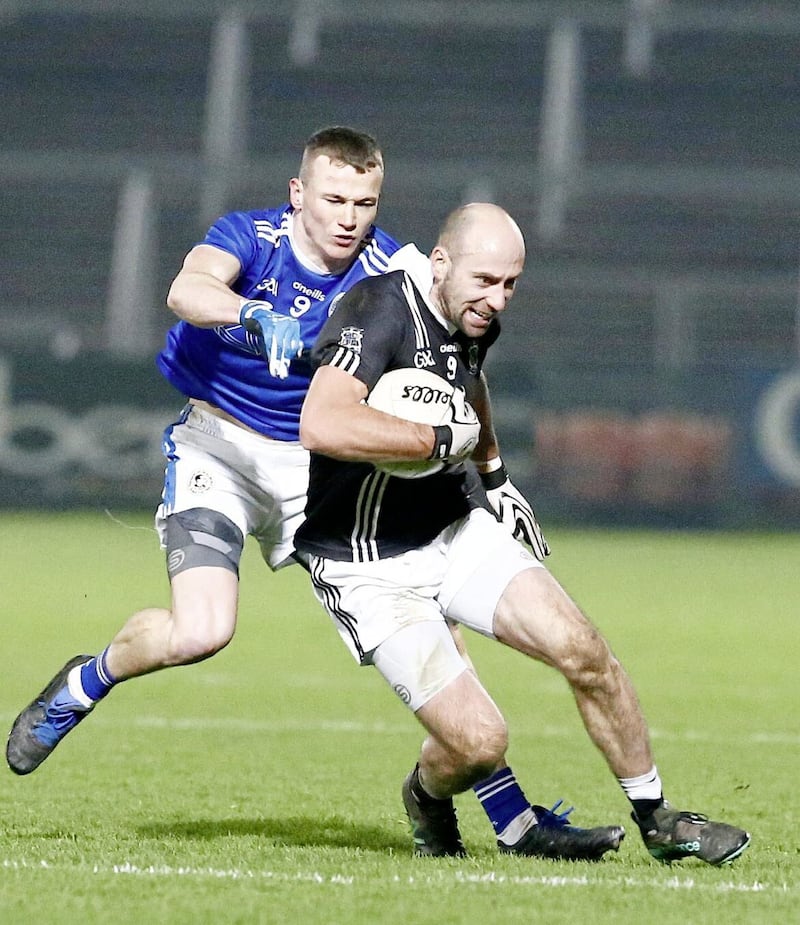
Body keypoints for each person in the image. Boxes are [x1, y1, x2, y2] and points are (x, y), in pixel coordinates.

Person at [5, 127, 597, 861]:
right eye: (335, 199)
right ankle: (85, 681)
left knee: (434, 610)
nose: (350, 217)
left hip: (316, 470)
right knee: (201, 632)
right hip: (217, 448)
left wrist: (493, 471)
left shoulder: (396, 269)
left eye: (365, 202)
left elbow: (461, 357)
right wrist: (248, 312)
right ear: (299, 195)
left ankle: (512, 819)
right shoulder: (250, 238)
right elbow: (187, 287)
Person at [294, 202, 752, 866]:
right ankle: (426, 794)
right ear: (440, 263)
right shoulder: (378, 310)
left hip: (452, 528)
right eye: (484, 280)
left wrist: (497, 476)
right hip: (367, 563)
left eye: (510, 283)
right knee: (479, 742)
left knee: (585, 651)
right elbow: (323, 424)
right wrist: (431, 438)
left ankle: (660, 819)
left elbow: (468, 384)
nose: (496, 298)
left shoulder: (475, 316)